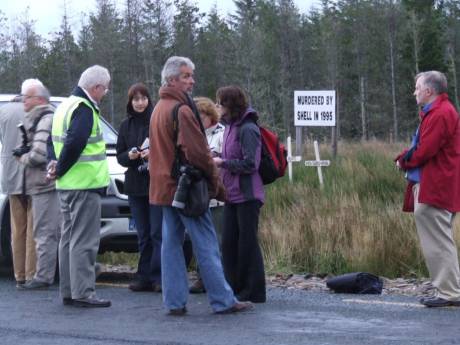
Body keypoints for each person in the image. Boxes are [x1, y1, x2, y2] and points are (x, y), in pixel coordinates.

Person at [149, 56, 252, 315]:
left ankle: (174, 302)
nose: (192, 80)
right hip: (186, 189)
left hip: (165, 188)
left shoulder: (159, 107)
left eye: (191, 75)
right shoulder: (182, 110)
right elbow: (198, 153)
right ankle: (223, 300)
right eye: (186, 76)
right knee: (206, 244)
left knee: (171, 245)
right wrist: (216, 184)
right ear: (172, 79)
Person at [48, 65, 111, 308]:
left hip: (66, 185)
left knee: (68, 239)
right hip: (84, 184)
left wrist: (54, 167)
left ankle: (68, 290)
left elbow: (51, 143)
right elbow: (75, 143)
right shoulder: (84, 108)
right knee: (84, 241)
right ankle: (84, 292)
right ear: (95, 87)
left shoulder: (63, 106)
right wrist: (61, 167)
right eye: (104, 89)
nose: (104, 93)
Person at [395, 71, 460, 308]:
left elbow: (424, 150)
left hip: (436, 186)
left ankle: (449, 292)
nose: (415, 91)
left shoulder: (440, 113)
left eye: (417, 87)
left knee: (438, 241)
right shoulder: (441, 111)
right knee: (440, 240)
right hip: (438, 185)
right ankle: (449, 290)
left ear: (429, 91)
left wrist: (402, 160)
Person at [213, 85, 266, 304]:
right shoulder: (229, 127)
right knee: (229, 243)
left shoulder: (248, 128)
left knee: (247, 244)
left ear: (230, 105)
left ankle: (253, 290)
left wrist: (223, 162)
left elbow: (251, 163)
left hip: (248, 195)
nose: (218, 107)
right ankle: (234, 286)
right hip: (231, 194)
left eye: (220, 103)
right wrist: (217, 155)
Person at [15, 79, 61, 290]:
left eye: (27, 97)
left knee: (44, 232)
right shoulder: (39, 118)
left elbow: (39, 155)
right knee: (52, 231)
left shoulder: (45, 119)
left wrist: (22, 157)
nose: (24, 100)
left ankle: (43, 277)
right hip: (43, 183)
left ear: (40, 99)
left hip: (44, 184)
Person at [116, 83, 162, 292]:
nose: (140, 103)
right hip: (135, 185)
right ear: (130, 102)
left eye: (143, 98)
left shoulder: (157, 120)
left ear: (149, 100)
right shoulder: (126, 125)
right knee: (143, 234)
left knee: (157, 233)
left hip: (155, 183)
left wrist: (151, 153)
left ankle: (159, 277)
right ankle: (144, 276)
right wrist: (131, 155)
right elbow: (120, 156)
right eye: (136, 99)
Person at [188, 97, 225, 294]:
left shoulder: (221, 134)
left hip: (216, 194)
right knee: (199, 239)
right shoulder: (193, 134)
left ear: (210, 116)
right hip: (198, 195)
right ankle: (203, 276)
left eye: (201, 115)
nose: (198, 119)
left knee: (217, 239)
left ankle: (216, 278)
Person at [0, 94, 36, 287]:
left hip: (11, 175)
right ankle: (32, 274)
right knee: (32, 229)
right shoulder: (32, 112)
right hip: (32, 175)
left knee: (17, 229)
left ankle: (19, 274)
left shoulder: (3, 112)